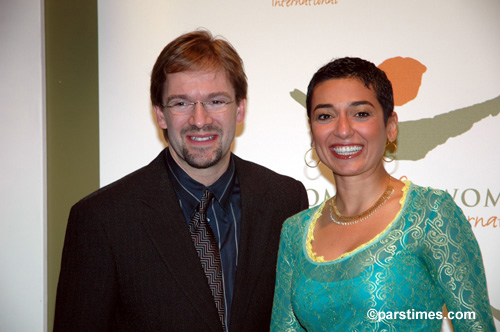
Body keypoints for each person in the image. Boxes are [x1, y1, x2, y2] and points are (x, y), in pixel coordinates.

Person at [53, 30, 308, 332]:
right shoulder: (101, 220)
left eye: (215, 101)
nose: (199, 120)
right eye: (181, 103)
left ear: (239, 109)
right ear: (160, 114)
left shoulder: (285, 200)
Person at [270, 57, 495, 331]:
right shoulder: (296, 232)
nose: (342, 129)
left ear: (390, 126)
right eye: (325, 116)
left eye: (361, 113)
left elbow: (476, 327)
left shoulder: (430, 212)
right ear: (312, 131)